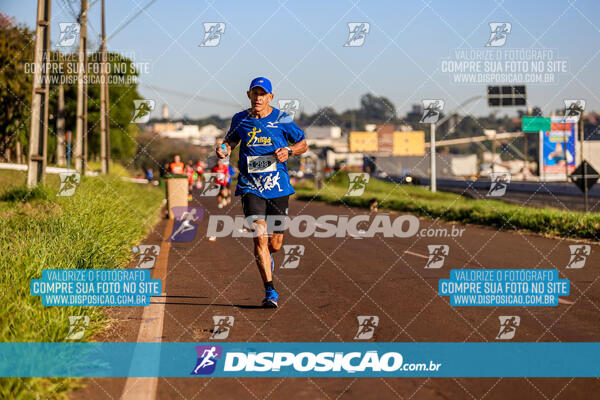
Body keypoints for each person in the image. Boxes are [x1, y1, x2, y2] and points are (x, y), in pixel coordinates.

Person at [216, 77, 307, 308]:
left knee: (274, 244)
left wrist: (288, 150)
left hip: (278, 186)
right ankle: (270, 291)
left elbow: (303, 143)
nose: (258, 98)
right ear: (248, 95)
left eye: (262, 94)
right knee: (259, 237)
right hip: (250, 186)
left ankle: (269, 257)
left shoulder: (281, 119)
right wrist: (223, 149)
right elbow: (230, 142)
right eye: (255, 94)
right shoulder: (240, 119)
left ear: (270, 97)